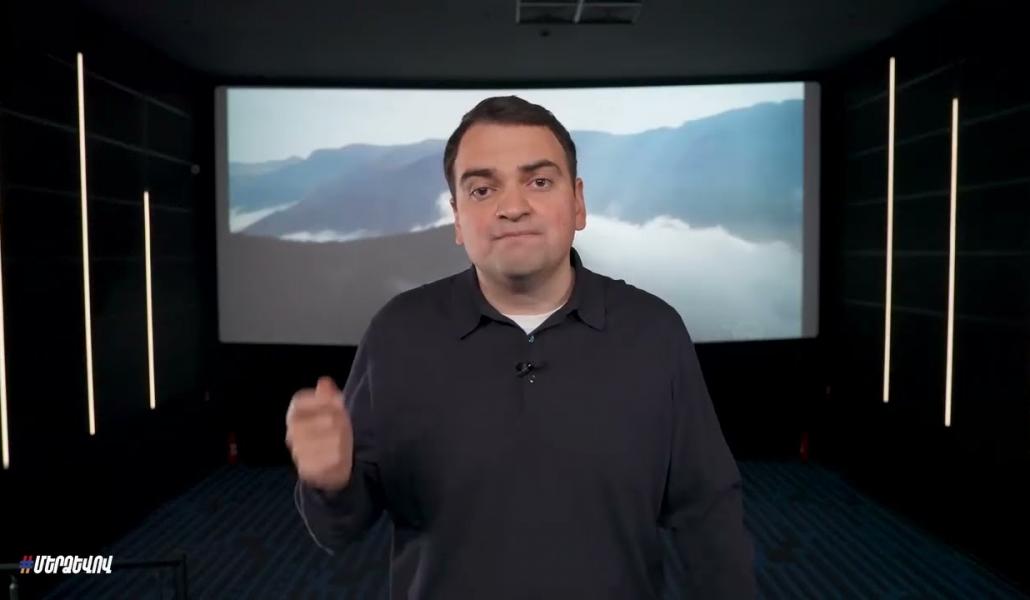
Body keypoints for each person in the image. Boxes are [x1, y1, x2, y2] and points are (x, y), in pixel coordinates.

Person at [285, 95, 756, 599]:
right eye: (482, 189)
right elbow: (339, 529)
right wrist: (330, 480)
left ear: (578, 203)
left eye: (539, 182)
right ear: (457, 219)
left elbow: (708, 514)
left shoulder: (653, 331)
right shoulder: (397, 333)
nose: (512, 207)